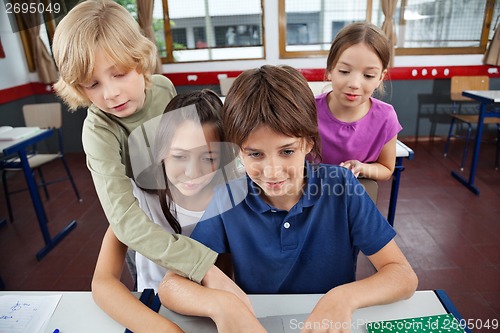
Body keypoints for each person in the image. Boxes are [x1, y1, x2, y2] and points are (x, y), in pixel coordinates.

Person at [158, 65, 418, 333]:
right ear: (238, 151)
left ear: (307, 142)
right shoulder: (228, 198)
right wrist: (221, 306)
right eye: (255, 154)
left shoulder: (342, 186)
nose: (272, 172)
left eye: (286, 151)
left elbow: (403, 276)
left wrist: (344, 297)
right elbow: (170, 286)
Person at [51, 0, 246, 301]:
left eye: (119, 74)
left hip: (190, 206)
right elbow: (126, 221)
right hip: (149, 225)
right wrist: (200, 265)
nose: (111, 93)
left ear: (139, 60)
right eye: (93, 84)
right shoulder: (97, 131)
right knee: (154, 286)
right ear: (78, 88)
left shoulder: (164, 88)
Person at [92, 90, 253, 333]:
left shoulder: (235, 192)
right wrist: (165, 330)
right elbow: (103, 282)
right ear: (161, 152)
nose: (192, 172)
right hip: (156, 312)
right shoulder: (139, 199)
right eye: (179, 156)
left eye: (208, 158)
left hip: (218, 310)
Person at [316, 22, 402, 181]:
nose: (354, 84)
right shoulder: (307, 109)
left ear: (380, 78)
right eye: (344, 71)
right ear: (330, 70)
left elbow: (387, 168)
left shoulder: (385, 117)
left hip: (354, 200)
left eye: (368, 76)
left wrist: (362, 167)